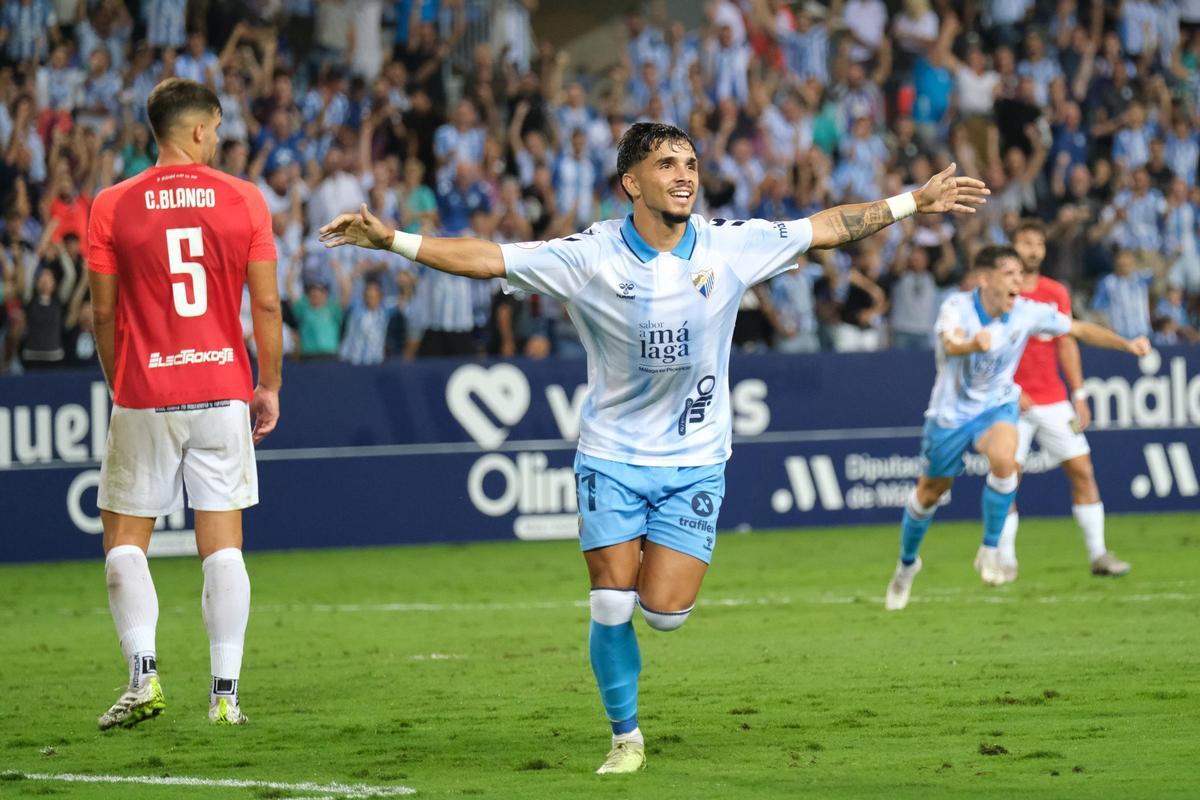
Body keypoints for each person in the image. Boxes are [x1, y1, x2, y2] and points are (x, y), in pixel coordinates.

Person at [319, 121, 989, 774]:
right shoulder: (590, 255)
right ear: (631, 183)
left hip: (696, 460)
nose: (684, 176)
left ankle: (643, 601)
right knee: (610, 601)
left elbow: (827, 227)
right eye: (667, 165)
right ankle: (625, 737)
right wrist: (393, 241)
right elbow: (489, 257)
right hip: (611, 455)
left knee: (665, 615)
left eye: (691, 164)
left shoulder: (730, 245)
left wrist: (912, 202)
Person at [87, 78, 282, 729]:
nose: (220, 139)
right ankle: (225, 696)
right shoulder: (244, 199)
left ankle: (143, 677)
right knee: (223, 546)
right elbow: (268, 306)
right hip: (223, 389)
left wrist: (123, 384)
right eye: (219, 129)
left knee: (123, 542)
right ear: (198, 131)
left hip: (146, 390)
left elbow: (103, 310)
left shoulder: (112, 204)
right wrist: (269, 385)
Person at [884, 245, 1150, 612]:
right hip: (951, 415)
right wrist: (971, 344)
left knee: (1005, 460)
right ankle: (907, 565)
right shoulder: (957, 306)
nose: (1018, 281)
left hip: (998, 405)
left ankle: (990, 551)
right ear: (985, 278)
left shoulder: (1026, 312)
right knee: (929, 494)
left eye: (1020, 275)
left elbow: (1078, 328)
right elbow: (950, 341)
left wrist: (1126, 344)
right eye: (1009, 274)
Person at [998, 220, 1131, 583]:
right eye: (1026, 242)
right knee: (1007, 477)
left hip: (1054, 399)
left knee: (1083, 470)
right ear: (1012, 247)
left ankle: (1098, 554)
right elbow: (989, 344)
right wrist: (1010, 387)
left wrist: (1080, 394)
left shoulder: (1055, 292)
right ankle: (1005, 560)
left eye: (1039, 243)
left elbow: (1068, 342)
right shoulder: (1001, 294)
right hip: (1011, 402)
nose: (1034, 249)